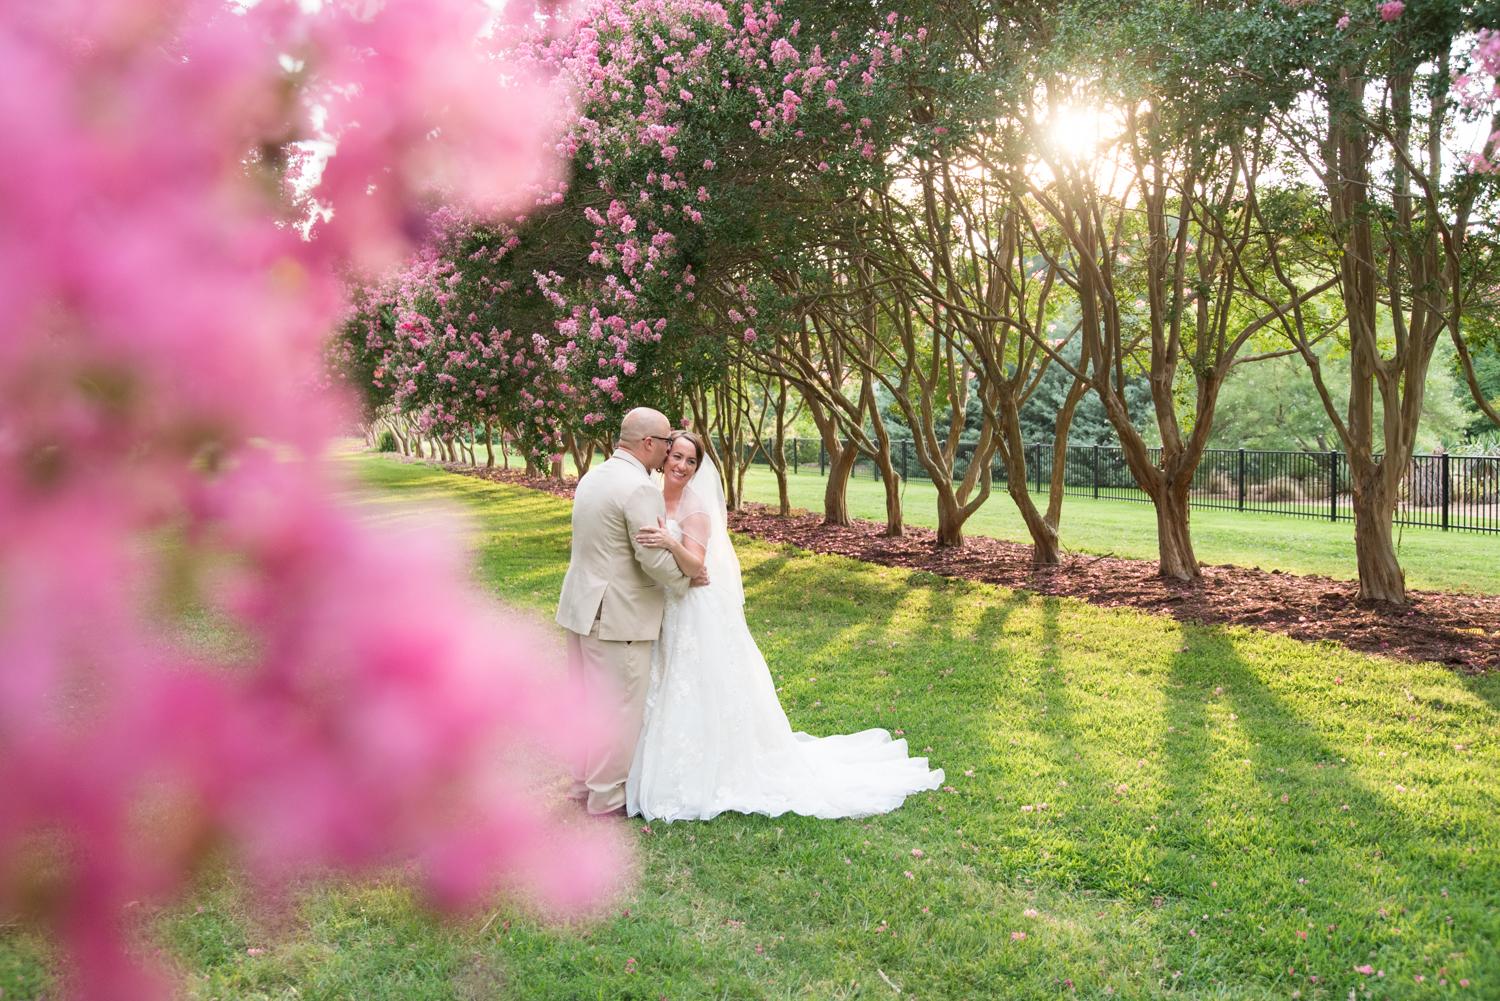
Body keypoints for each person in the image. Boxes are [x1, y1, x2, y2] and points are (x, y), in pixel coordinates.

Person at [626, 431, 943, 822]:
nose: (682, 466)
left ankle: (709, 763)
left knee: (694, 680)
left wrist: (670, 543)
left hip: (692, 607)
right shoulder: (651, 492)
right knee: (666, 676)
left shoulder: (696, 508)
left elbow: (696, 567)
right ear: (663, 455)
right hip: (665, 606)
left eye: (691, 461)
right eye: (676, 456)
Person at [555, 408, 704, 815]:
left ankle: (583, 783)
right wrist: (687, 579)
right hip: (617, 614)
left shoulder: (594, 476)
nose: (671, 450)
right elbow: (651, 556)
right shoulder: (640, 488)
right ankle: (606, 798)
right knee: (618, 706)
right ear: (649, 444)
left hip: (581, 606)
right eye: (667, 443)